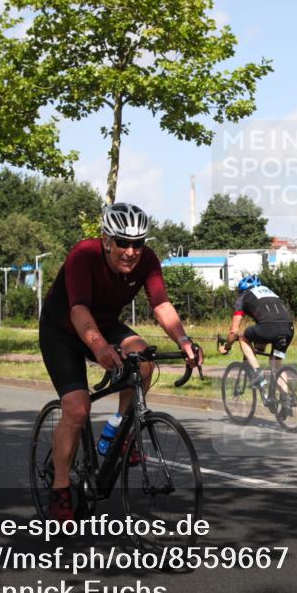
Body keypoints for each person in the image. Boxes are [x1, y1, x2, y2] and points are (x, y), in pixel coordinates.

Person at [39, 202, 202, 521]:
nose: (131, 252)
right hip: (62, 330)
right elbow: (78, 310)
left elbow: (161, 305)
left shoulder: (147, 260)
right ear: (106, 240)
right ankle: (60, 490)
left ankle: (117, 430)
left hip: (105, 325)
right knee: (77, 408)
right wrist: (100, 347)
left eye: (138, 243)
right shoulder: (83, 255)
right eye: (123, 243)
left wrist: (183, 341)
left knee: (143, 359)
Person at [218, 274, 294, 404]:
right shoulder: (270, 293)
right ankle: (286, 400)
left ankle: (258, 372)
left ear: (242, 290)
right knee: (276, 365)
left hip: (269, 327)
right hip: (288, 329)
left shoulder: (243, 297)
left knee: (243, 338)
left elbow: (233, 331)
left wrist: (226, 346)